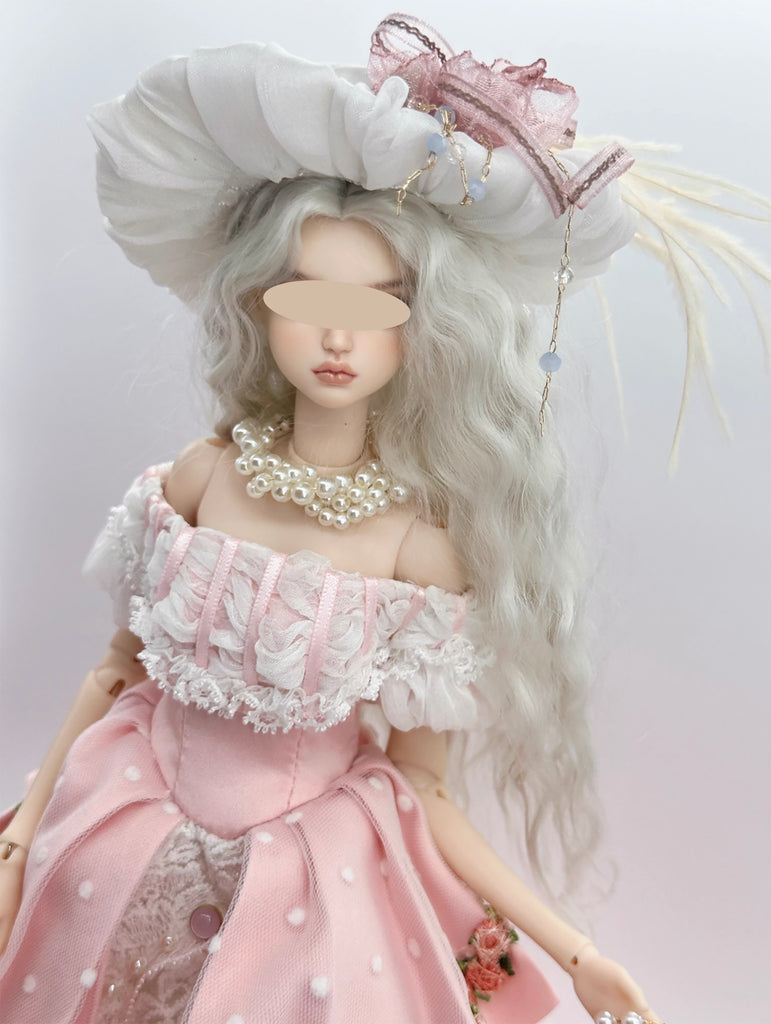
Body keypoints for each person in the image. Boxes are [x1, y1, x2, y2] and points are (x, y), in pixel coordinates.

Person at [4, 13, 765, 1023]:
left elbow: (424, 790)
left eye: (379, 305)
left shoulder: (417, 548)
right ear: (260, 301)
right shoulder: (199, 479)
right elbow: (117, 673)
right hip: (118, 839)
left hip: (303, 900)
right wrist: (19, 837)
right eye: (308, 295)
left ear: (424, 326)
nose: (338, 335)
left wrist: (574, 950)